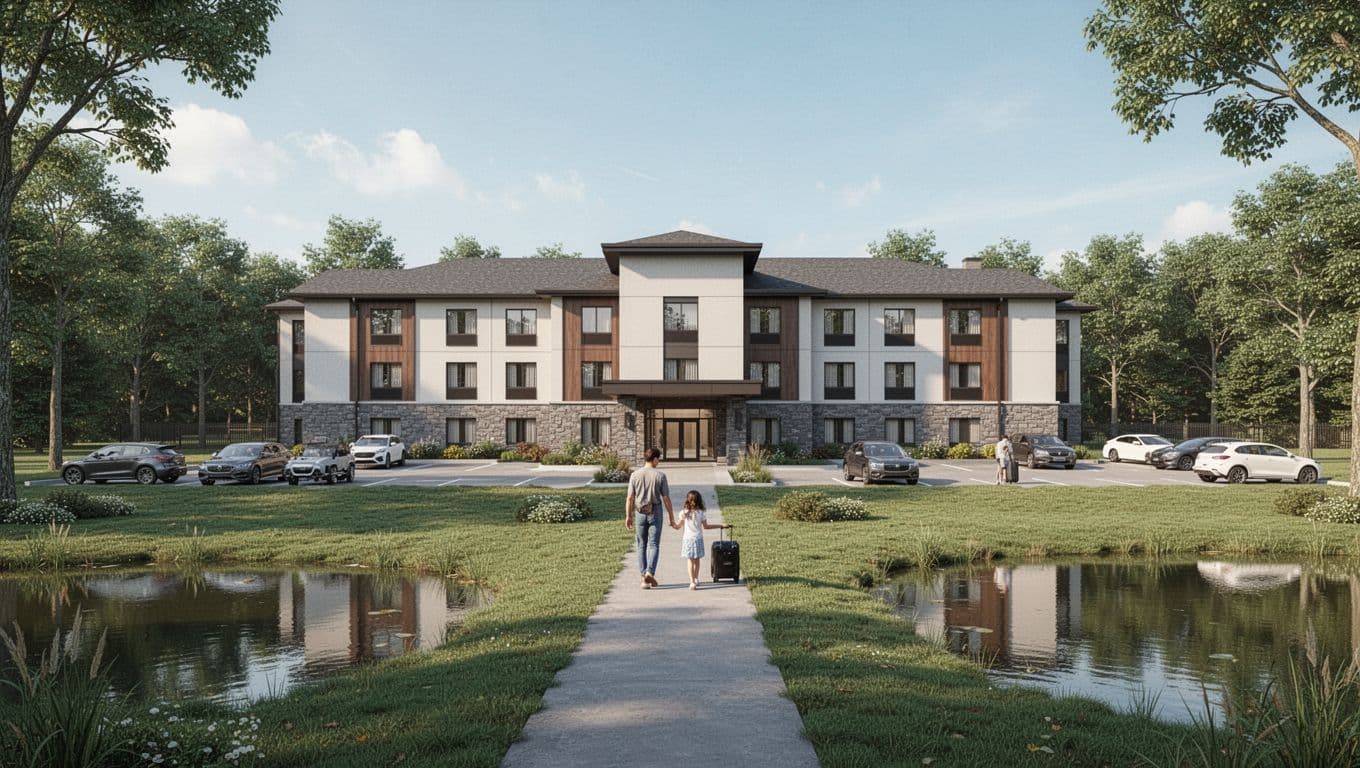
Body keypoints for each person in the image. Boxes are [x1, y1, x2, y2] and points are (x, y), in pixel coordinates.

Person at [626, 447, 675, 589]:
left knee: (641, 545)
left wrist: (628, 516)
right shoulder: (660, 476)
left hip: (640, 512)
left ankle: (643, 578)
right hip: (655, 511)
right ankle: (650, 572)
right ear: (654, 459)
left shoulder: (635, 475)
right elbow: (666, 498)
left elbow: (630, 498)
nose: (658, 461)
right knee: (653, 544)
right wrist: (671, 517)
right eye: (658, 459)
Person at [672, 490, 728, 590]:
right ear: (699, 501)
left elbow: (678, 526)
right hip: (698, 539)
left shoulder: (683, 513)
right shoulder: (701, 513)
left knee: (690, 560)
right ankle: (696, 578)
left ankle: (692, 581)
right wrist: (720, 525)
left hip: (688, 540)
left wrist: (673, 524)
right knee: (697, 560)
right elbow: (706, 526)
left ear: (687, 500)